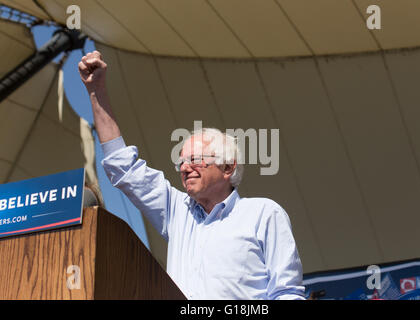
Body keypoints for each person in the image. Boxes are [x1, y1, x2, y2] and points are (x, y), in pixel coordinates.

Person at [78, 51, 306, 300]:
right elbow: (124, 167)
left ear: (228, 168)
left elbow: (287, 293)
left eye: (196, 160)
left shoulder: (263, 213)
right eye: (182, 162)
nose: (185, 168)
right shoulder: (177, 213)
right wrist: (96, 91)